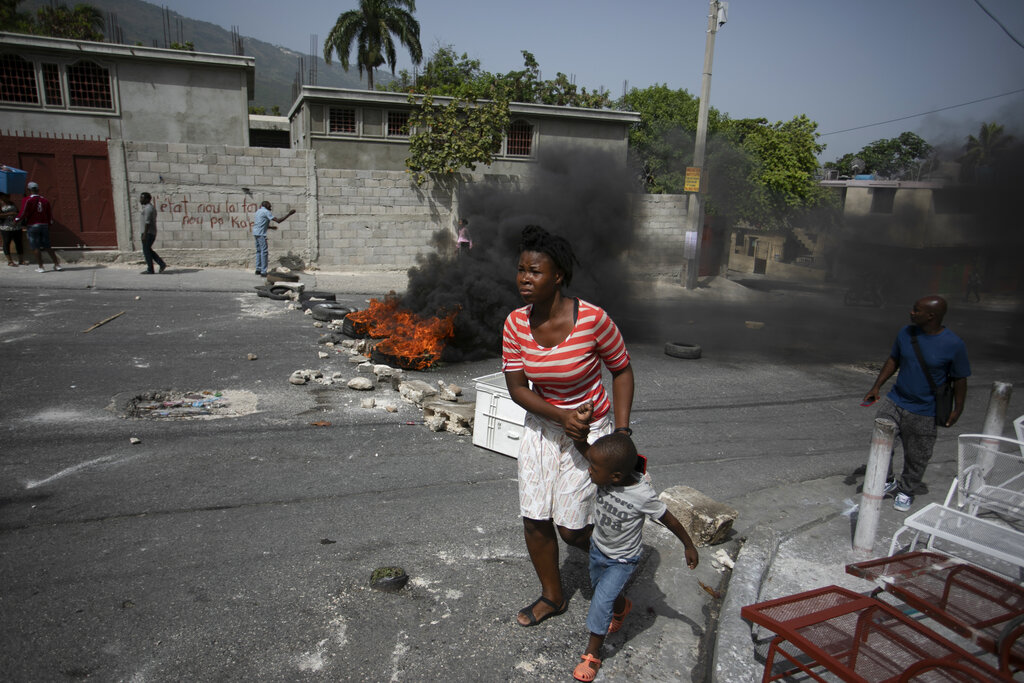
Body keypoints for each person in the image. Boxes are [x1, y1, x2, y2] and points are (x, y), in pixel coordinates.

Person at [501, 224, 635, 628]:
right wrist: (560, 417)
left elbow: (622, 369)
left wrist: (622, 434)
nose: (525, 278)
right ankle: (553, 596)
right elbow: (516, 387)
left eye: (535, 271)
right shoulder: (514, 324)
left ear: (557, 275)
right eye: (521, 270)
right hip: (544, 427)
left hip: (591, 431)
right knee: (535, 517)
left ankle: (615, 569)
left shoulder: (593, 319)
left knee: (572, 528)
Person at [568, 404, 698, 682]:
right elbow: (584, 448)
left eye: (593, 469)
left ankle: (593, 653)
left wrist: (689, 545)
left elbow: (670, 520)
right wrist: (582, 427)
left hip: (622, 560)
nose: (589, 471)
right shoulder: (606, 471)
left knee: (600, 601)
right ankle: (622, 607)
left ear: (615, 477)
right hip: (598, 549)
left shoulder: (642, 495)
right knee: (604, 592)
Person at [863, 296, 970, 512]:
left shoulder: (953, 344)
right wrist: (876, 387)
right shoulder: (906, 333)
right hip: (896, 400)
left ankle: (906, 490)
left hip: (925, 411)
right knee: (880, 442)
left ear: (931, 316)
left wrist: (957, 409)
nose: (911, 313)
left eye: (916, 310)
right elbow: (893, 360)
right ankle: (887, 479)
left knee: (917, 455)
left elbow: (960, 379)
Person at [15, 181, 62, 272]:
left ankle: (41, 267)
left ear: (29, 190)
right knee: (48, 246)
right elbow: (49, 214)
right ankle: (57, 264)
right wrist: (49, 224)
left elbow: (23, 212)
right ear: (38, 189)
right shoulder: (44, 200)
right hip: (44, 225)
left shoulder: (27, 200)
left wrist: (16, 220)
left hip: (33, 225)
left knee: (35, 246)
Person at [252, 201, 295, 277]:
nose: (270, 207)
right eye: (269, 206)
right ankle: (263, 271)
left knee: (259, 251)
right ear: (266, 205)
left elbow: (260, 223)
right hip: (261, 234)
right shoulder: (266, 212)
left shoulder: (258, 211)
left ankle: (258, 269)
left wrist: (271, 227)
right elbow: (278, 221)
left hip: (256, 233)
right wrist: (289, 214)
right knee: (264, 252)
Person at [139, 192, 167, 274]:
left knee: (146, 250)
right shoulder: (149, 207)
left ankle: (150, 269)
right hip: (149, 233)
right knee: (148, 250)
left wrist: (144, 234)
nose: (140, 199)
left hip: (148, 233)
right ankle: (161, 264)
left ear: (147, 199)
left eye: (142, 198)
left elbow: (147, 222)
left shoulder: (148, 209)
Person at [1, 192, 26, 266]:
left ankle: (21, 260)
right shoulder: (0, 204)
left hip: (16, 226)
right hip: (6, 227)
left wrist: (17, 216)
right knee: (6, 243)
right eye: (6, 196)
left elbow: (17, 212)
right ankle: (10, 261)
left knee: (19, 243)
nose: (8, 197)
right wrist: (10, 214)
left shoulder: (12, 203)